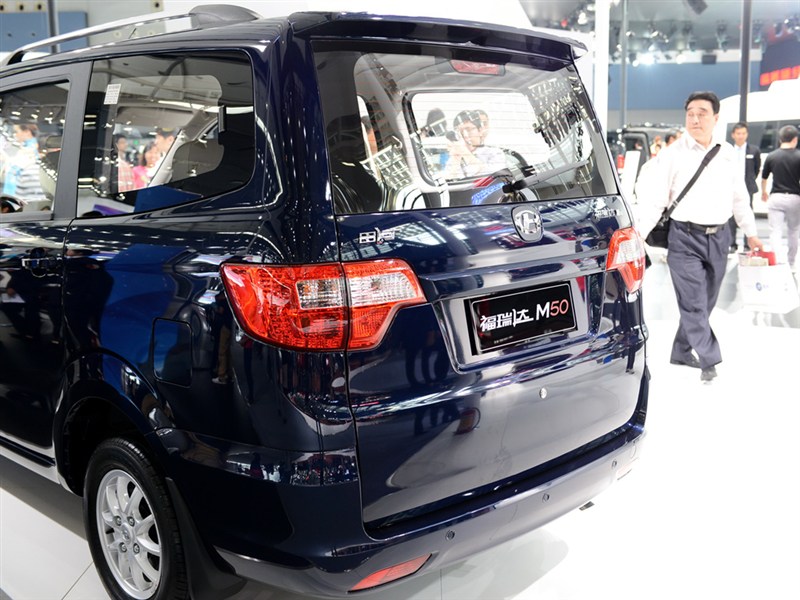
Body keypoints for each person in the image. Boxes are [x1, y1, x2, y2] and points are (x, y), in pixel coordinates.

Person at [637, 91, 764, 383]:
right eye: (690, 114)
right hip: (684, 238)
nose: (695, 119)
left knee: (705, 302)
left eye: (702, 113)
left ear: (715, 118)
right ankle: (710, 359)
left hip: (720, 237)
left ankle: (681, 350)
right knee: (693, 301)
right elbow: (656, 200)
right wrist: (639, 234)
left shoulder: (727, 153)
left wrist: (752, 233)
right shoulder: (672, 154)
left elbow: (739, 198)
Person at [760, 125, 800, 271]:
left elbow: (764, 177)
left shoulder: (772, 156)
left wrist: (764, 192)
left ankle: (777, 263)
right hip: (795, 197)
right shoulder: (799, 156)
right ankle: (791, 263)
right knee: (793, 231)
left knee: (775, 231)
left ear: (780, 139)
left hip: (776, 197)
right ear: (795, 139)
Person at [728, 122, 761, 251]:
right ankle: (732, 243)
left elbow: (756, 168)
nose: (741, 136)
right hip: (730, 187)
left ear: (747, 134)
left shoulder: (754, 150)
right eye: (738, 133)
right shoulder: (728, 150)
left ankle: (748, 243)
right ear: (733, 135)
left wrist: (750, 181)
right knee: (731, 216)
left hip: (748, 187)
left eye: (743, 133)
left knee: (747, 214)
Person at [444, 110, 505, 178]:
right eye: (460, 131)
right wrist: (455, 160)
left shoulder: (495, 153)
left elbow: (494, 177)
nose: (465, 135)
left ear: (480, 130)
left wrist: (465, 153)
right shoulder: (453, 160)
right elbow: (448, 181)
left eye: (469, 130)